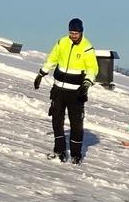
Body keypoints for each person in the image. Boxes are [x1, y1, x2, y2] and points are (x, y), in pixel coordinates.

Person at [34, 18, 99, 163]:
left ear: (81, 32)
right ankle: (60, 152)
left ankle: (76, 155)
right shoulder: (62, 42)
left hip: (76, 94)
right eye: (71, 32)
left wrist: (86, 84)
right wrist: (41, 74)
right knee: (57, 122)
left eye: (76, 33)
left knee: (76, 124)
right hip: (58, 91)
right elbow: (52, 59)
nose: (73, 35)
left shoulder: (87, 48)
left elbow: (92, 69)